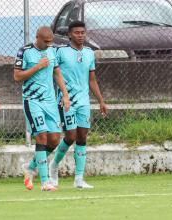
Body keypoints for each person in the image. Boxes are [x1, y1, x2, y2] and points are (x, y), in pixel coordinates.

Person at [48, 21, 108, 189]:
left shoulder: (89, 53)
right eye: (76, 32)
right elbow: (52, 72)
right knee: (70, 136)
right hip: (66, 100)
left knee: (82, 137)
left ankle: (79, 179)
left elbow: (92, 80)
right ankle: (53, 165)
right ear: (69, 35)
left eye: (83, 32)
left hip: (84, 102)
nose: (80, 35)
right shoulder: (60, 51)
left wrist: (101, 101)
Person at [14, 26, 70, 191]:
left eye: (50, 41)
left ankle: (30, 167)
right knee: (41, 137)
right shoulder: (24, 51)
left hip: (50, 102)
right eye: (45, 41)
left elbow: (57, 72)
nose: (48, 44)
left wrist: (65, 95)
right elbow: (17, 76)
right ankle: (45, 182)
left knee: (54, 139)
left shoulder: (52, 50)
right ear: (37, 37)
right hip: (33, 101)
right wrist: (37, 66)